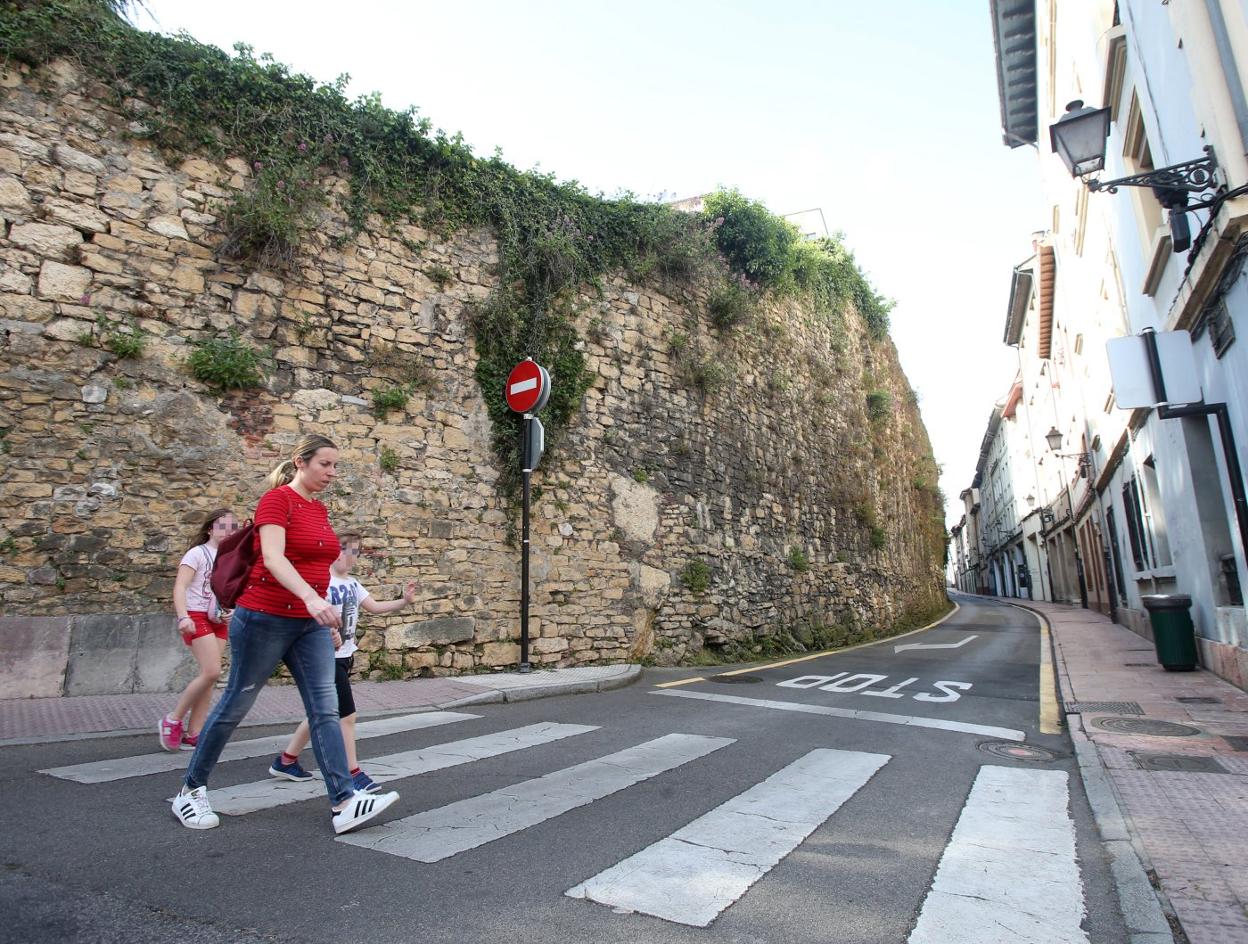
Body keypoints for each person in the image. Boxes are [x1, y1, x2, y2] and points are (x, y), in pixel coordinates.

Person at [170, 434, 399, 834]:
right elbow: (273, 558)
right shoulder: (276, 501)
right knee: (233, 708)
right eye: (325, 464)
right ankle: (190, 791)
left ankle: (344, 801)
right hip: (264, 618)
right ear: (300, 462)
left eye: (336, 465)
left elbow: (316, 568)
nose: (332, 472)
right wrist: (312, 600)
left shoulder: (319, 510)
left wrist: (323, 616)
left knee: (325, 709)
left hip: (309, 625)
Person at [268, 531, 418, 793]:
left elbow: (373, 607)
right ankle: (353, 773)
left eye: (356, 552)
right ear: (334, 550)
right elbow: (309, 610)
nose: (352, 557)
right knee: (347, 716)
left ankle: (286, 761)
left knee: (320, 711)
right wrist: (327, 631)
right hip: (325, 656)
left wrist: (403, 601)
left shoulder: (353, 583)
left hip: (345, 655)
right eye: (348, 550)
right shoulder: (322, 581)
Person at [159, 508, 237, 753]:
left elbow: (232, 591)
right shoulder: (197, 554)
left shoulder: (230, 558)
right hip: (195, 614)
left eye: (232, 527)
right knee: (212, 671)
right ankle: (172, 719)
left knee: (209, 676)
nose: (227, 531)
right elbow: (180, 586)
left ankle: (195, 732)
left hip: (218, 618)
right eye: (223, 526)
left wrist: (232, 609)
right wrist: (183, 616)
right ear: (210, 528)